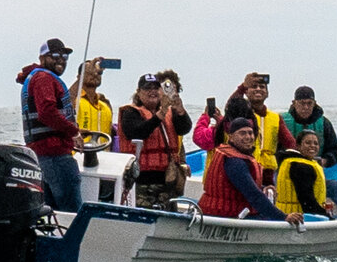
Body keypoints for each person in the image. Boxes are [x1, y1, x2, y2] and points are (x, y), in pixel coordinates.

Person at [16, 38, 83, 211]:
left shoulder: (36, 77)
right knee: (71, 210)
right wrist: (73, 132)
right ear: (42, 58)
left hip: (43, 155)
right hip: (54, 154)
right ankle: (74, 237)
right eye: (54, 55)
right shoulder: (44, 78)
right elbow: (46, 112)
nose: (61, 59)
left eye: (65, 56)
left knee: (50, 210)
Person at [195, 117, 302, 225]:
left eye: (250, 133)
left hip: (213, 211)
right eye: (242, 133)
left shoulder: (234, 155)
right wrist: (283, 217)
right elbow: (254, 195)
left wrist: (263, 188)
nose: (248, 137)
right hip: (224, 215)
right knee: (267, 216)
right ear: (231, 137)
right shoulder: (234, 161)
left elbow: (241, 187)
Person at [118, 73, 192, 209]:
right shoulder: (131, 112)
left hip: (167, 179)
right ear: (139, 93)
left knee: (169, 215)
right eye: (147, 88)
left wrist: (180, 110)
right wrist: (160, 114)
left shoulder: (170, 112)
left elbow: (184, 128)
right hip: (141, 180)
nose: (152, 91)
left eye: (156, 88)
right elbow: (137, 132)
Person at [270, 128, 337, 220]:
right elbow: (307, 203)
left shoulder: (289, 160)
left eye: (316, 143)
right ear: (298, 146)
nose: (312, 146)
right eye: (307, 143)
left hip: (286, 213)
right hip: (298, 218)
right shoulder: (301, 167)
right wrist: (329, 217)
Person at [262, 84, 337, 171]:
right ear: (294, 103)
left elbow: (334, 150)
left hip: (315, 169)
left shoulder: (324, 123)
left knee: (336, 185)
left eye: (309, 103)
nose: (306, 107)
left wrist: (324, 161)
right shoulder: (280, 121)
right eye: (302, 103)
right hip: (285, 169)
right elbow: (271, 148)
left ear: (314, 103)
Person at [73, 60, 116, 153]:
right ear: (79, 77)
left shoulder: (105, 106)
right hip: (78, 158)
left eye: (99, 72)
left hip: (103, 160)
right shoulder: (73, 100)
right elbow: (63, 102)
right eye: (89, 71)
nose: (95, 74)